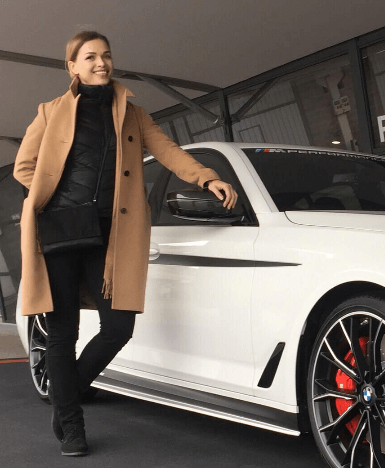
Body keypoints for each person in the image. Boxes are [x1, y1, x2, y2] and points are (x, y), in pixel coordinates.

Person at [13, 31, 238, 457]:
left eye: (106, 56)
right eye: (90, 57)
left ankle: (64, 403)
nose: (101, 63)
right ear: (72, 67)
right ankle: (73, 427)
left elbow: (168, 150)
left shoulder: (133, 113)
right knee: (63, 332)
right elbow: (25, 168)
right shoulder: (50, 113)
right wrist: (58, 198)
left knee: (118, 325)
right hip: (60, 232)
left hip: (107, 234)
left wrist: (206, 176)